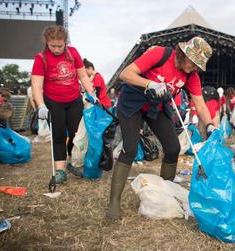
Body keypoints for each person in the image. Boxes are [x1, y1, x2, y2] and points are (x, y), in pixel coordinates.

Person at [110, 36, 215, 219]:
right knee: (130, 149)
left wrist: (210, 125)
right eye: (194, 63)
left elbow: (200, 104)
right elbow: (125, 74)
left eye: (199, 65)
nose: (195, 68)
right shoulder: (160, 55)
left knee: (173, 148)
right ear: (184, 54)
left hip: (155, 107)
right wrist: (150, 83)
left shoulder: (191, 75)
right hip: (132, 103)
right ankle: (114, 202)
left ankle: (166, 193)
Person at [31, 25, 98, 184]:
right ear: (46, 43)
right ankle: (60, 169)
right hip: (53, 102)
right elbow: (36, 85)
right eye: (52, 46)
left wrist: (91, 93)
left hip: (74, 100)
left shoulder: (73, 53)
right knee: (59, 135)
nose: (56, 49)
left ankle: (73, 163)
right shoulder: (41, 58)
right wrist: (41, 105)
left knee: (77, 135)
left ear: (65, 42)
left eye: (60, 46)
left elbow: (82, 75)